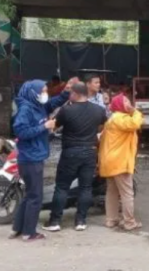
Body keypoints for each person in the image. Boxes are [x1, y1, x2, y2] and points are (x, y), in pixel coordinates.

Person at [10, 77, 76, 241]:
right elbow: (21, 132)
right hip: (30, 158)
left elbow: (53, 103)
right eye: (43, 91)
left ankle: (18, 228)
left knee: (29, 195)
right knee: (35, 197)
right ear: (33, 93)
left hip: (35, 155)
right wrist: (44, 127)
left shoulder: (37, 105)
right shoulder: (26, 109)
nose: (45, 94)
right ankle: (29, 233)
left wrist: (66, 91)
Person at [42, 82, 108, 232]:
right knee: (85, 187)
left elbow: (54, 126)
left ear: (76, 94)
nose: (69, 95)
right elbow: (104, 127)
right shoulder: (98, 110)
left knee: (62, 187)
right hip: (90, 152)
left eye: (70, 93)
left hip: (70, 153)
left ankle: (55, 221)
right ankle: (80, 221)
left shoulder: (66, 110)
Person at [99, 94, 143, 231]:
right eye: (125, 101)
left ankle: (111, 220)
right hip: (120, 161)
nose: (129, 103)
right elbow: (135, 123)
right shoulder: (120, 118)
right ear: (119, 105)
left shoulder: (112, 119)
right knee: (126, 193)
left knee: (112, 192)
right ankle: (129, 222)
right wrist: (135, 111)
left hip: (109, 160)